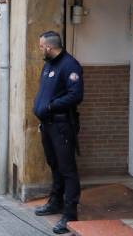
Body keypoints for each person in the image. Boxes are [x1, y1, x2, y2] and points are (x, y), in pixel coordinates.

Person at [32, 31, 83, 234]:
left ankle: (70, 214)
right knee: (54, 165)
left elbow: (76, 95)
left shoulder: (70, 65)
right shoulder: (49, 65)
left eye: (41, 46)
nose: (40, 50)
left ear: (49, 47)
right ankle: (55, 202)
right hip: (48, 125)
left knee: (67, 169)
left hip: (62, 126)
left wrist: (51, 107)